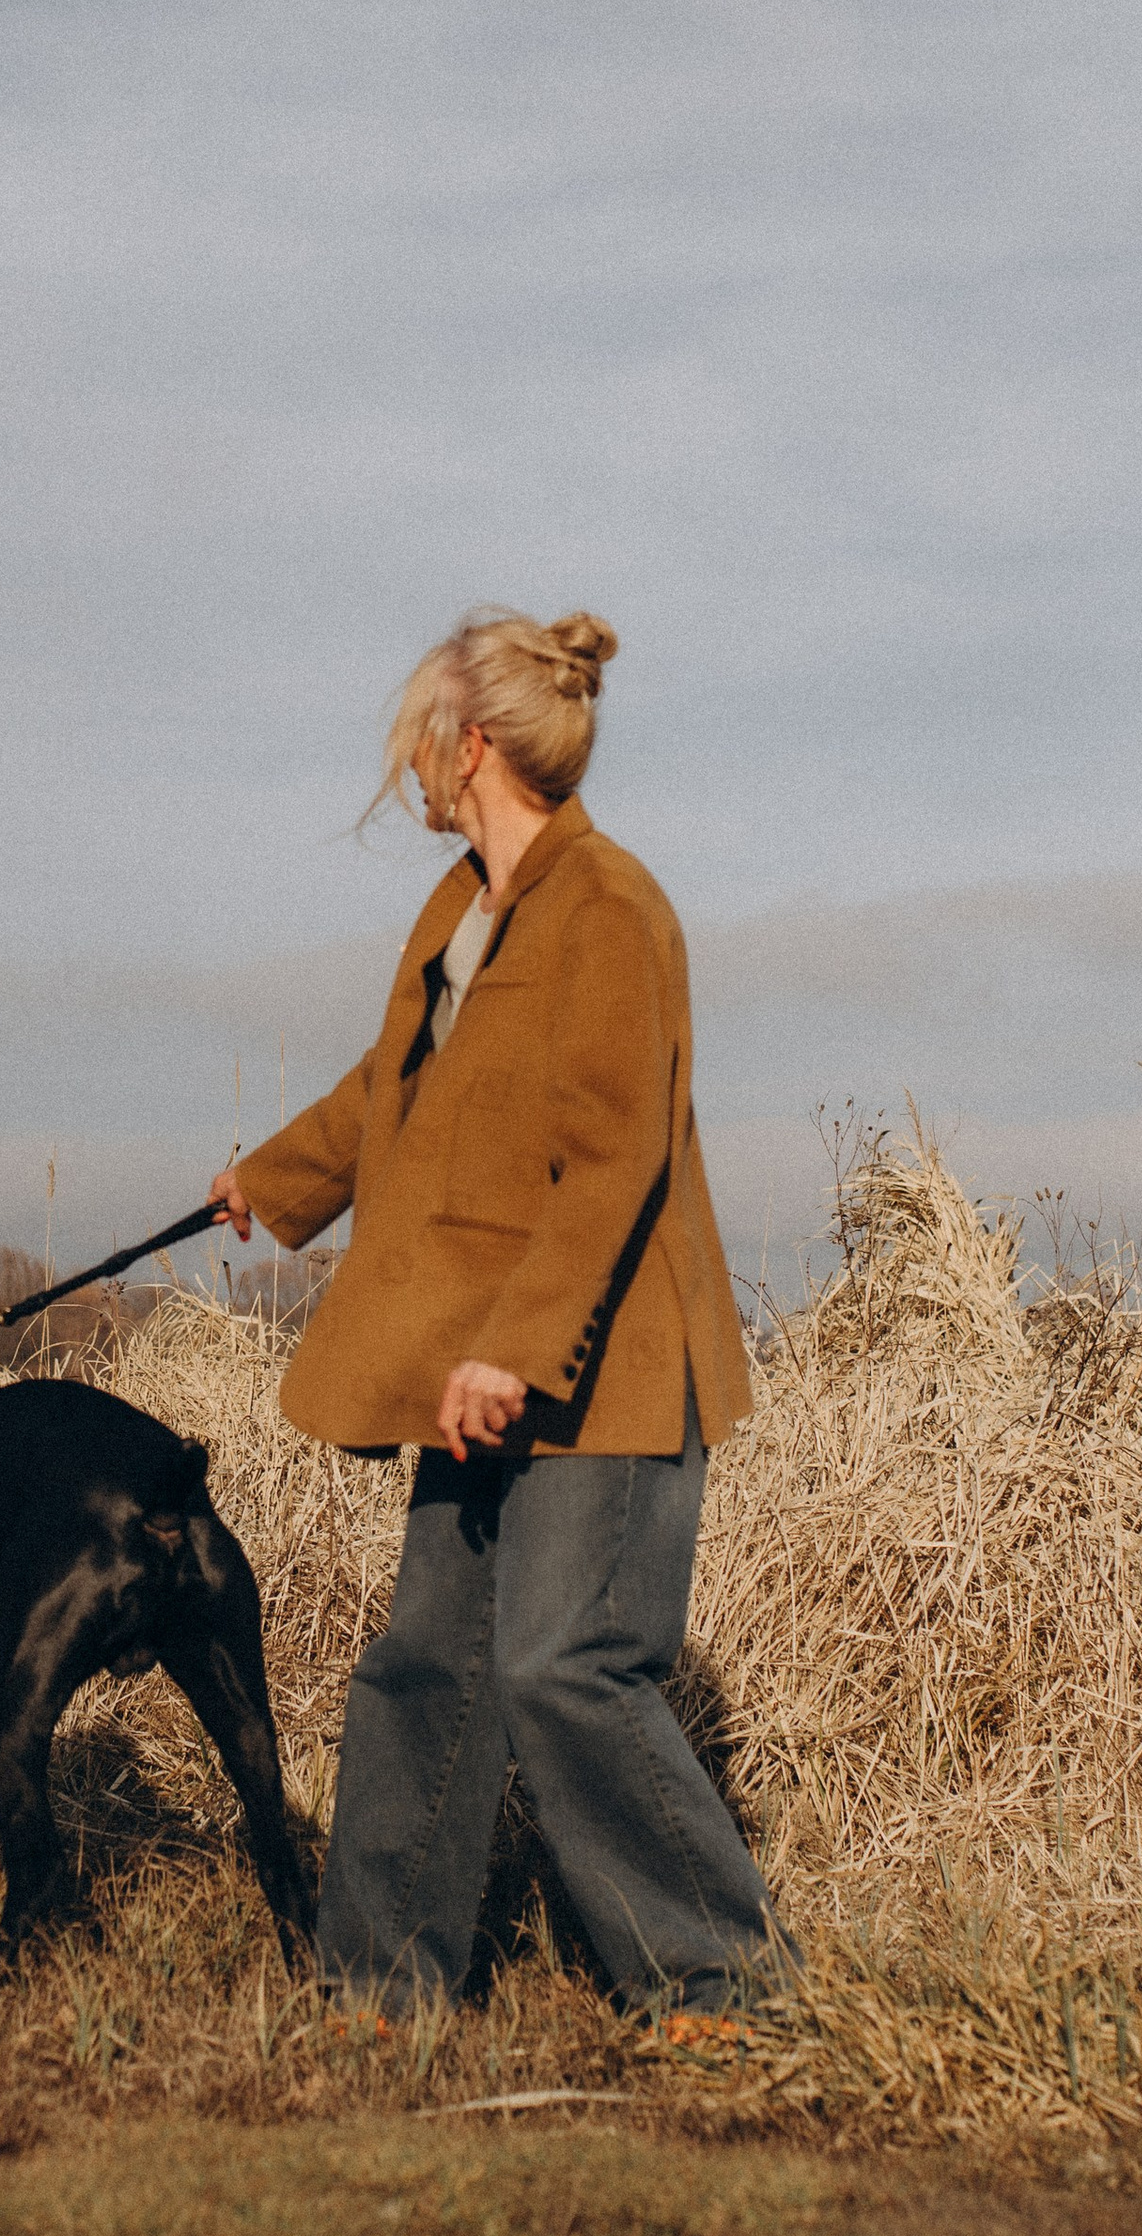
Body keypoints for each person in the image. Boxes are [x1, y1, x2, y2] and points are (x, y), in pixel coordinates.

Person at [210, 607, 789, 2016]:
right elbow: (388, 1087)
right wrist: (270, 1181)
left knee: (566, 1668)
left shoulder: (613, 911)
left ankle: (729, 1997)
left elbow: (614, 1164)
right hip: (475, 1370)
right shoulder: (464, 909)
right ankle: (380, 1994)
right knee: (430, 1670)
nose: (407, 761)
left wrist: (516, 1355)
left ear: (469, 743)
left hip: (608, 1369)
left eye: (420, 733)